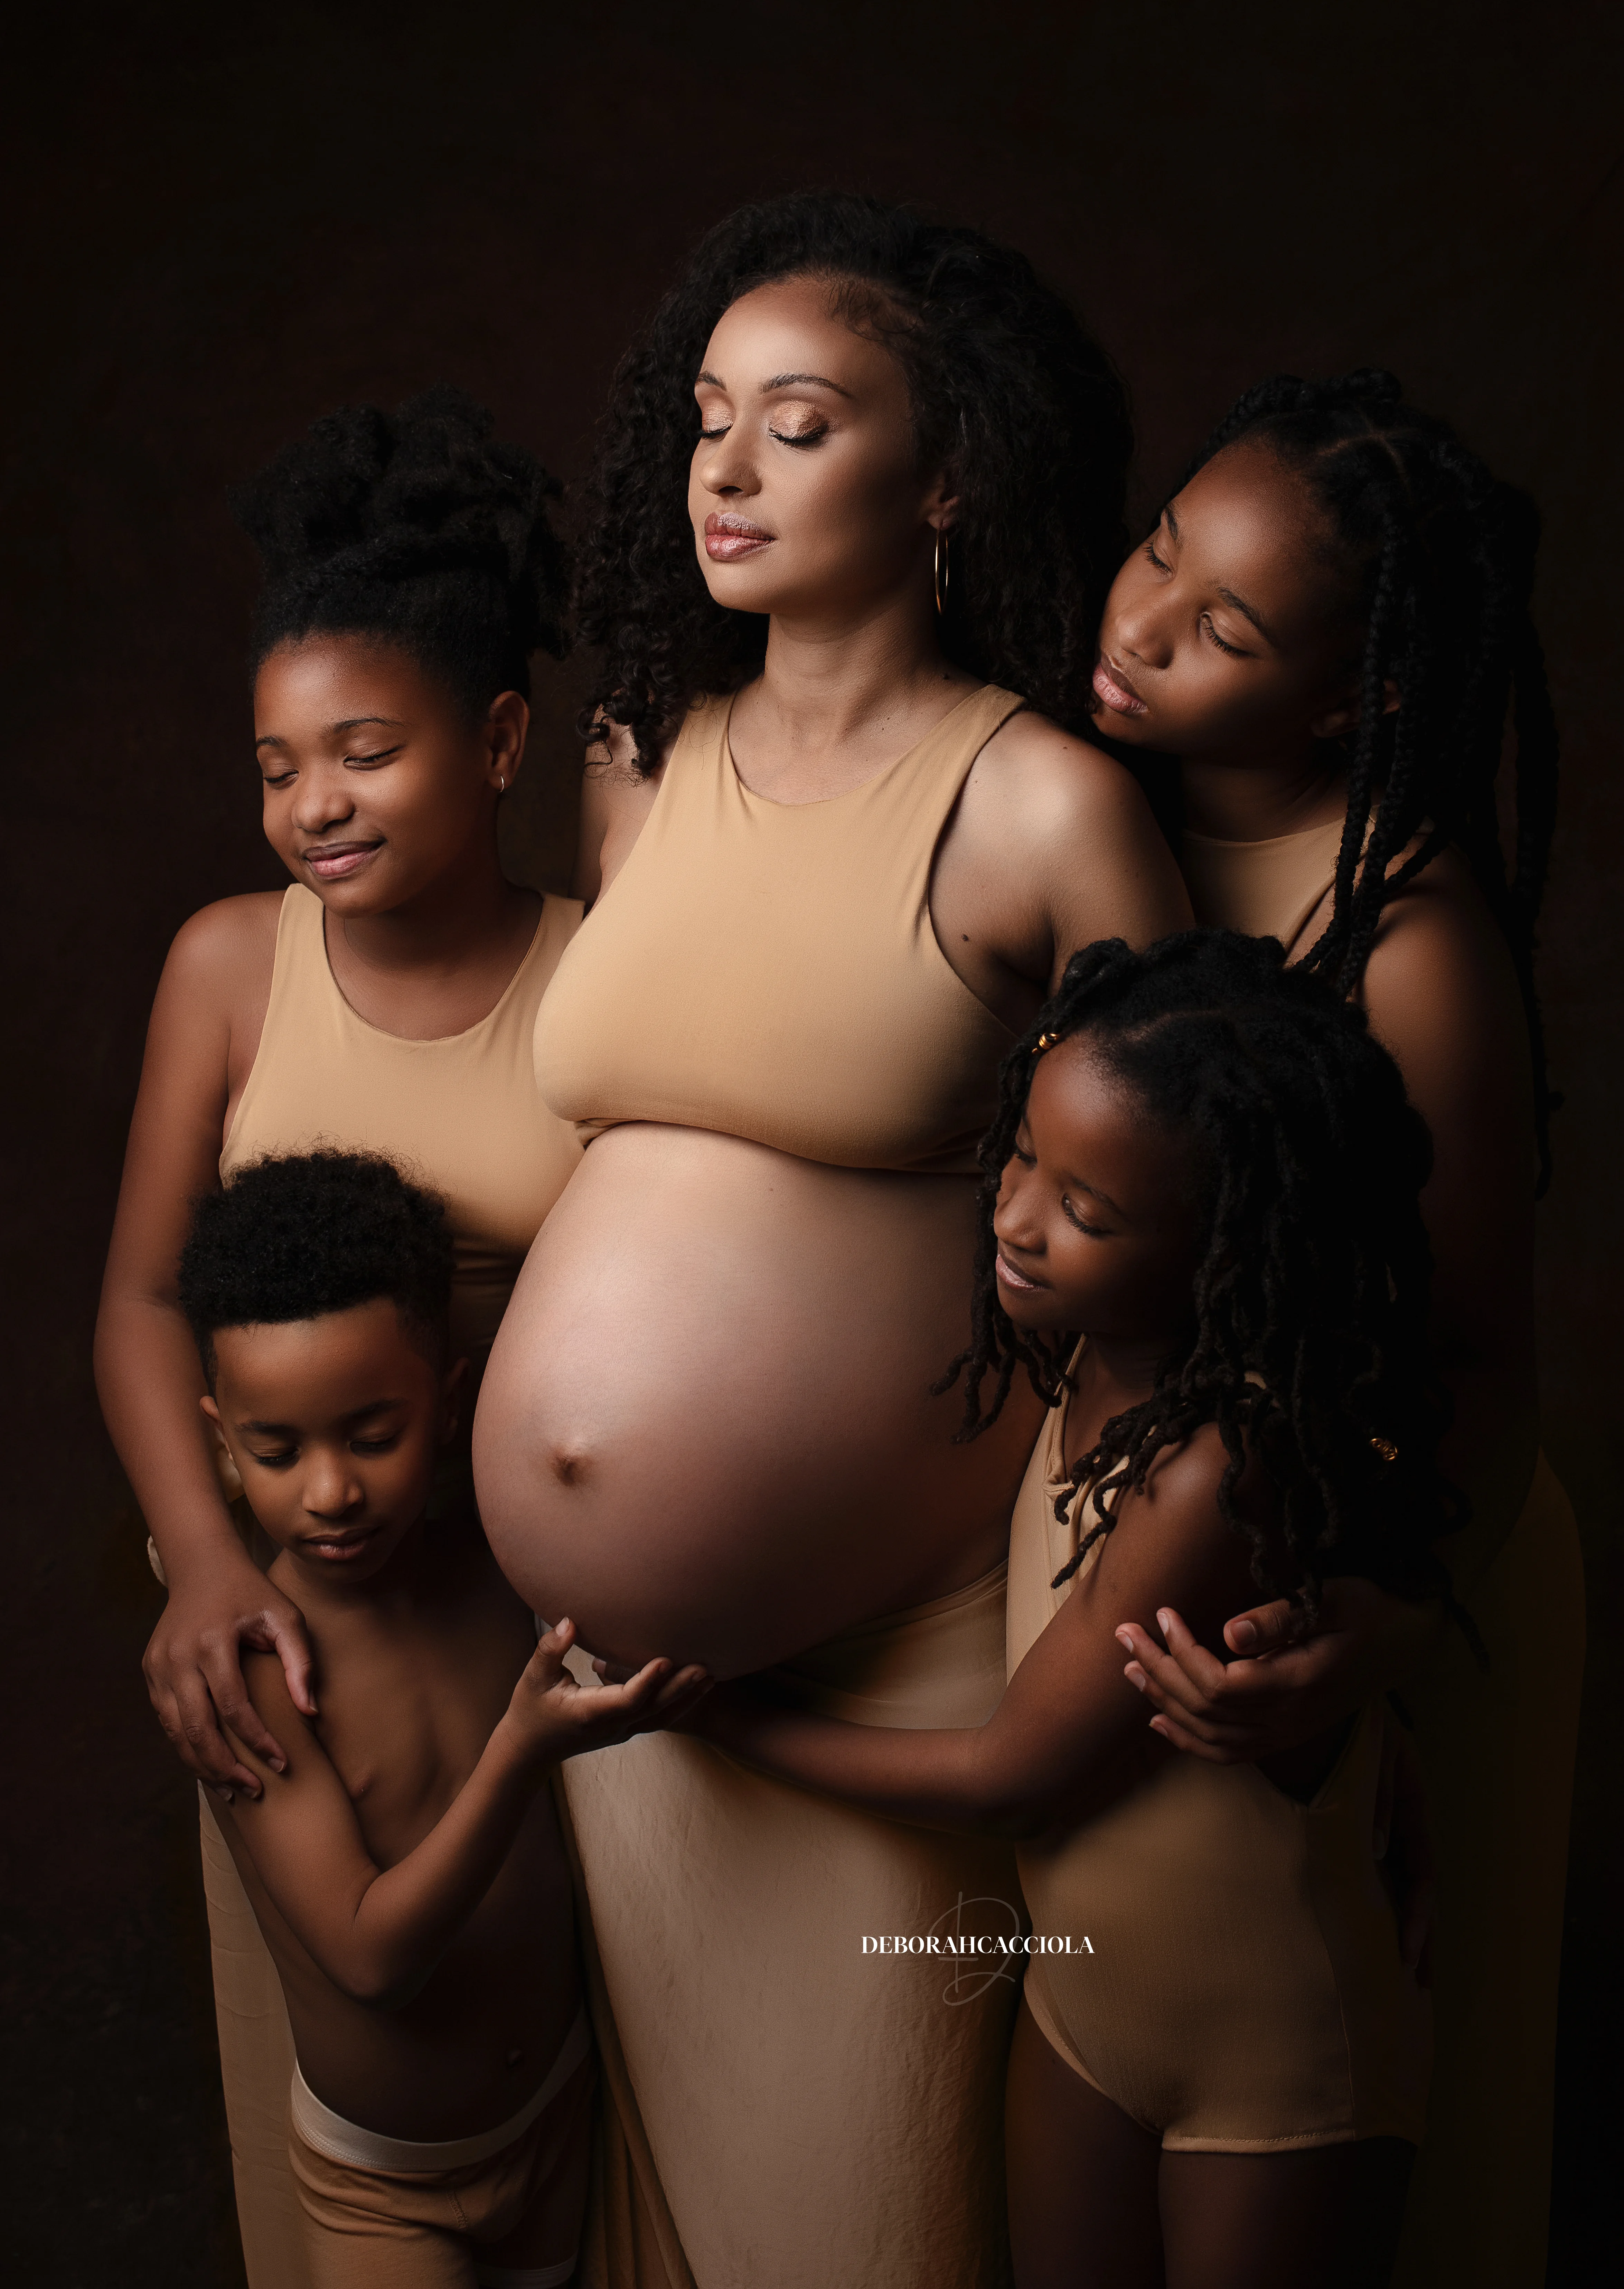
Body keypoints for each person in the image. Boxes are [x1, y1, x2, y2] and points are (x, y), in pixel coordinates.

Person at [473, 193, 1192, 2288]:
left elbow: (1225, 1186)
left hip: (902, 1675)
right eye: (706, 418)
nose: (724, 469)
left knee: (872, 2226)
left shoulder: (1038, 801)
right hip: (621, 1700)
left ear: (943, 468)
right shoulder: (635, 759)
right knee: (685, 2208)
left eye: (797, 422)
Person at [684, 930, 1453, 2289]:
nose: (1018, 1215)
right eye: (1025, 1156)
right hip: (1083, 2012)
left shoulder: (1217, 1467)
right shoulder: (1087, 1353)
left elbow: (1012, 1774)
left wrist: (720, 1715)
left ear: (1227, 1246)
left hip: (1276, 2065)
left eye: (1089, 1213)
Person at [1086, 373, 1583, 2288]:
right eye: (1152, 552)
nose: (1137, 625)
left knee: (1347, 2154)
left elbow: (1477, 1371)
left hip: (1388, 1574)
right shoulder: (1089, 795)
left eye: (1220, 626)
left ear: (1347, 702)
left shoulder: (1404, 950)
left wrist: (1371, 1625)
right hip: (1176, 1551)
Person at [94, 387, 584, 2286]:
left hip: (525, 1623)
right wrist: (210, 1568)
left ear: (499, 741)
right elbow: (143, 1298)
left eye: (364, 752)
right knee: (358, 2080)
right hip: (303, 1636)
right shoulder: (229, 966)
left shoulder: (595, 977)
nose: (315, 804)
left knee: (558, 2077)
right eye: (278, 764)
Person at [177, 1149, 706, 2289]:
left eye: (373, 1435)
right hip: (389, 2187)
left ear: (453, 1401)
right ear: (222, 1440)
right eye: (277, 1452)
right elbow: (369, 1958)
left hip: (561, 2114)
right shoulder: (260, 1670)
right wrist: (519, 1753)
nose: (331, 1492)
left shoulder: (496, 1569)